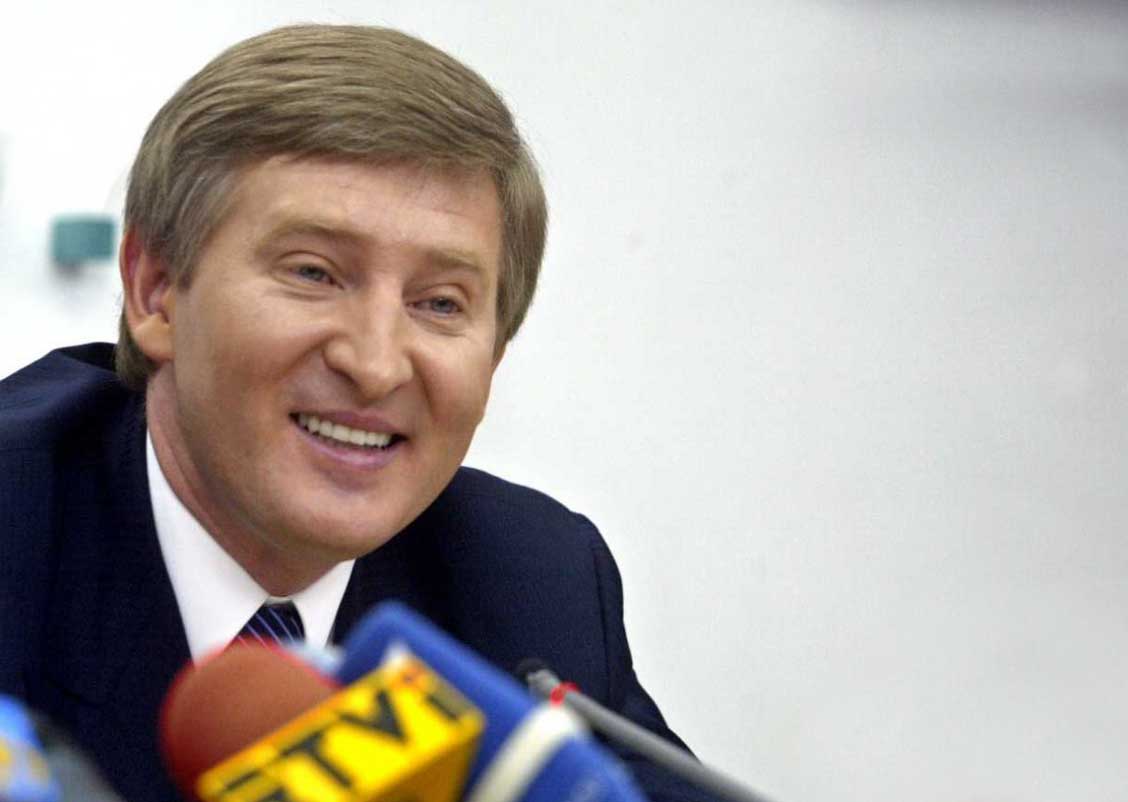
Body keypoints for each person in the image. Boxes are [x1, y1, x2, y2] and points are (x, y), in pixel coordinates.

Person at [0, 24, 712, 802]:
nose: (375, 365)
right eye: (314, 274)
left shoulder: (530, 586)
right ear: (157, 292)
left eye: (440, 303)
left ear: (495, 353)